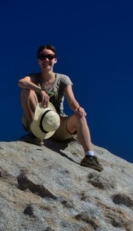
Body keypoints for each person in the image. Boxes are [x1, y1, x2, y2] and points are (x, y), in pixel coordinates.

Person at [17, 44, 104, 172]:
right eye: (42, 57)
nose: (46, 59)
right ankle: (35, 135)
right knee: (26, 90)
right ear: (38, 60)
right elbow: (21, 82)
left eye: (50, 56)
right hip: (36, 123)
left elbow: (72, 100)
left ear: (55, 60)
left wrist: (78, 109)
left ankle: (89, 157)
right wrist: (40, 90)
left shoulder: (63, 79)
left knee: (80, 115)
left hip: (56, 124)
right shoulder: (34, 77)